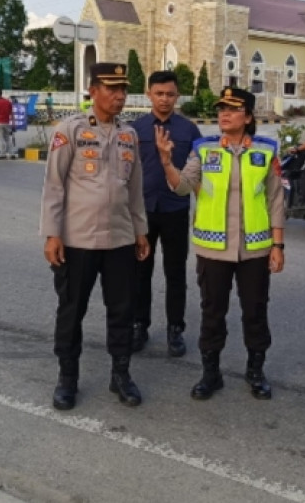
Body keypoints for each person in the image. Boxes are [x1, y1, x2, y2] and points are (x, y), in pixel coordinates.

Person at [155, 87, 285, 401]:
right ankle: (210, 373)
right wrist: (167, 162)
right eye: (221, 109)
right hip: (213, 248)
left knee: (255, 310)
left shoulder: (266, 150)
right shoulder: (204, 149)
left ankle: (256, 371)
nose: (224, 114)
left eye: (233, 109)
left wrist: (278, 246)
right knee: (213, 311)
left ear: (248, 117)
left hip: (255, 248)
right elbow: (182, 186)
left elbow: (276, 199)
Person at [39, 62, 150, 410]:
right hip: (77, 240)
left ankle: (121, 374)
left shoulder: (128, 135)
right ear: (93, 91)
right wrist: (52, 234)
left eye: (123, 90)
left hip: (120, 239)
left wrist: (141, 231)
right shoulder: (70, 130)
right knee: (71, 311)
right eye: (112, 89)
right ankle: (67, 378)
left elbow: (135, 190)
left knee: (122, 310)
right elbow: (54, 186)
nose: (120, 96)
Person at [131, 70, 202, 356]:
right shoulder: (134, 130)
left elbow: (199, 173)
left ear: (177, 96)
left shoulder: (189, 130)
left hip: (175, 210)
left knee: (175, 273)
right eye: (159, 94)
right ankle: (139, 325)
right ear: (148, 94)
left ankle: (175, 329)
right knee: (140, 272)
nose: (164, 99)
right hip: (143, 212)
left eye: (170, 94)